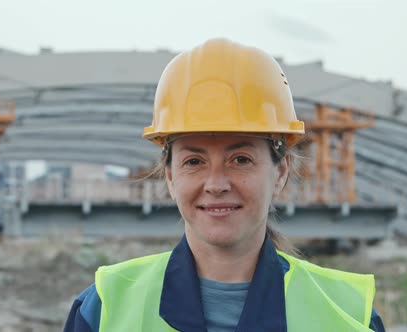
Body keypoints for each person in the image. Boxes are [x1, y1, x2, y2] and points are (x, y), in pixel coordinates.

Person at [64, 38, 385, 332]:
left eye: (241, 159)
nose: (216, 184)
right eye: (194, 162)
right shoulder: (104, 309)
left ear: (281, 171)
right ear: (171, 177)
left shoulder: (349, 316)